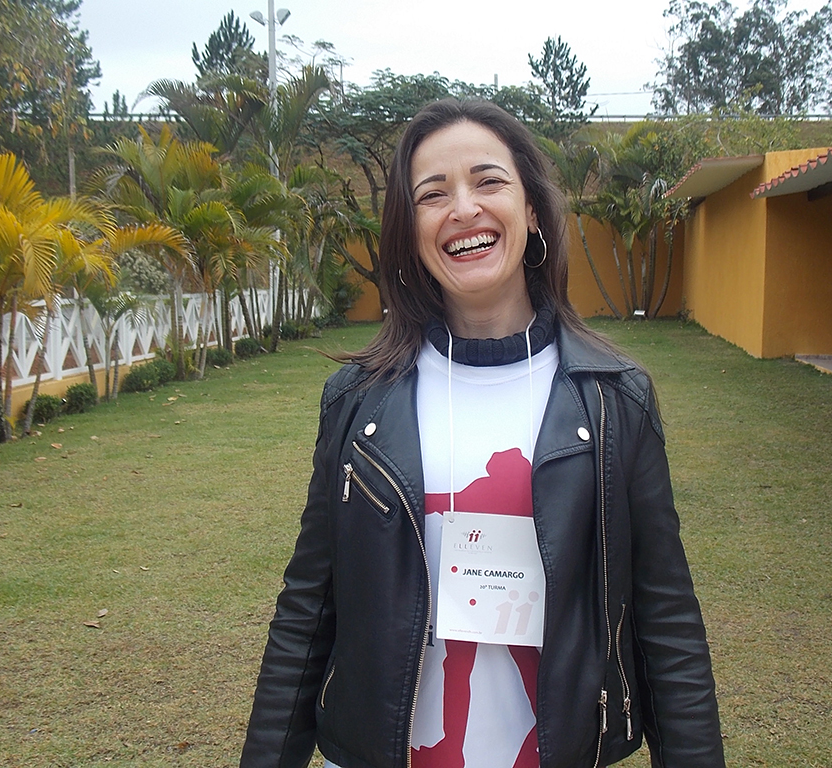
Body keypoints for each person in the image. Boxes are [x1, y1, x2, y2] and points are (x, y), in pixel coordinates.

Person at [240, 98, 725, 768]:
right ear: (410, 230)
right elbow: (306, 610)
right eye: (432, 194)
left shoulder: (615, 399)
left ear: (532, 210)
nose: (463, 209)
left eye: (488, 181)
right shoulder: (357, 400)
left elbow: (665, 620)